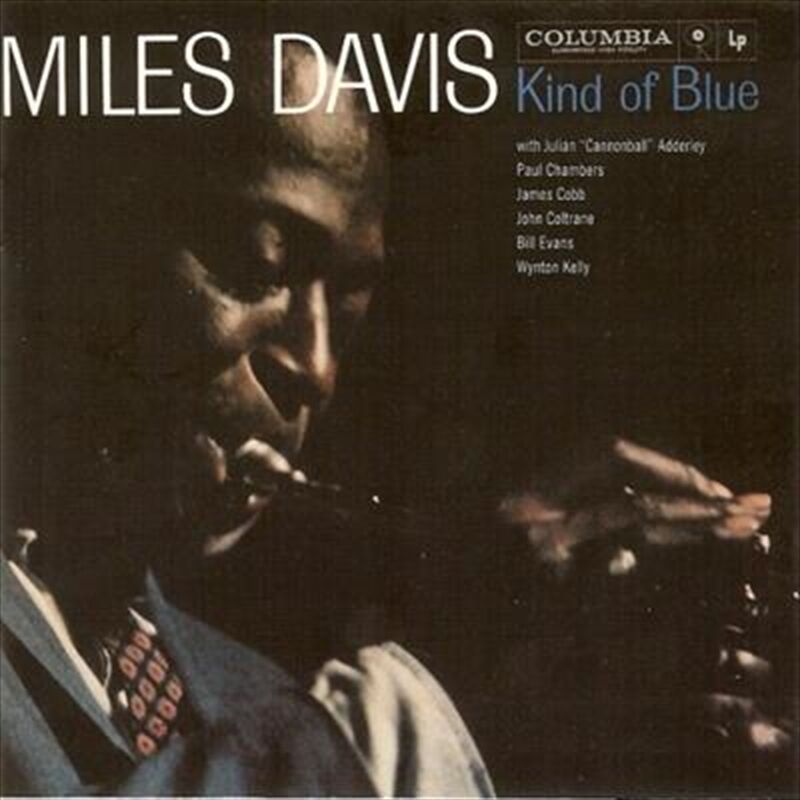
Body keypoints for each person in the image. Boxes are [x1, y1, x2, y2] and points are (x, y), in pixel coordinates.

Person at [0, 32, 792, 798]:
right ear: (63, 237)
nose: (317, 371)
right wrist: (444, 685)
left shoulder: (257, 694)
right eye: (256, 265)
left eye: (346, 314)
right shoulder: (315, 722)